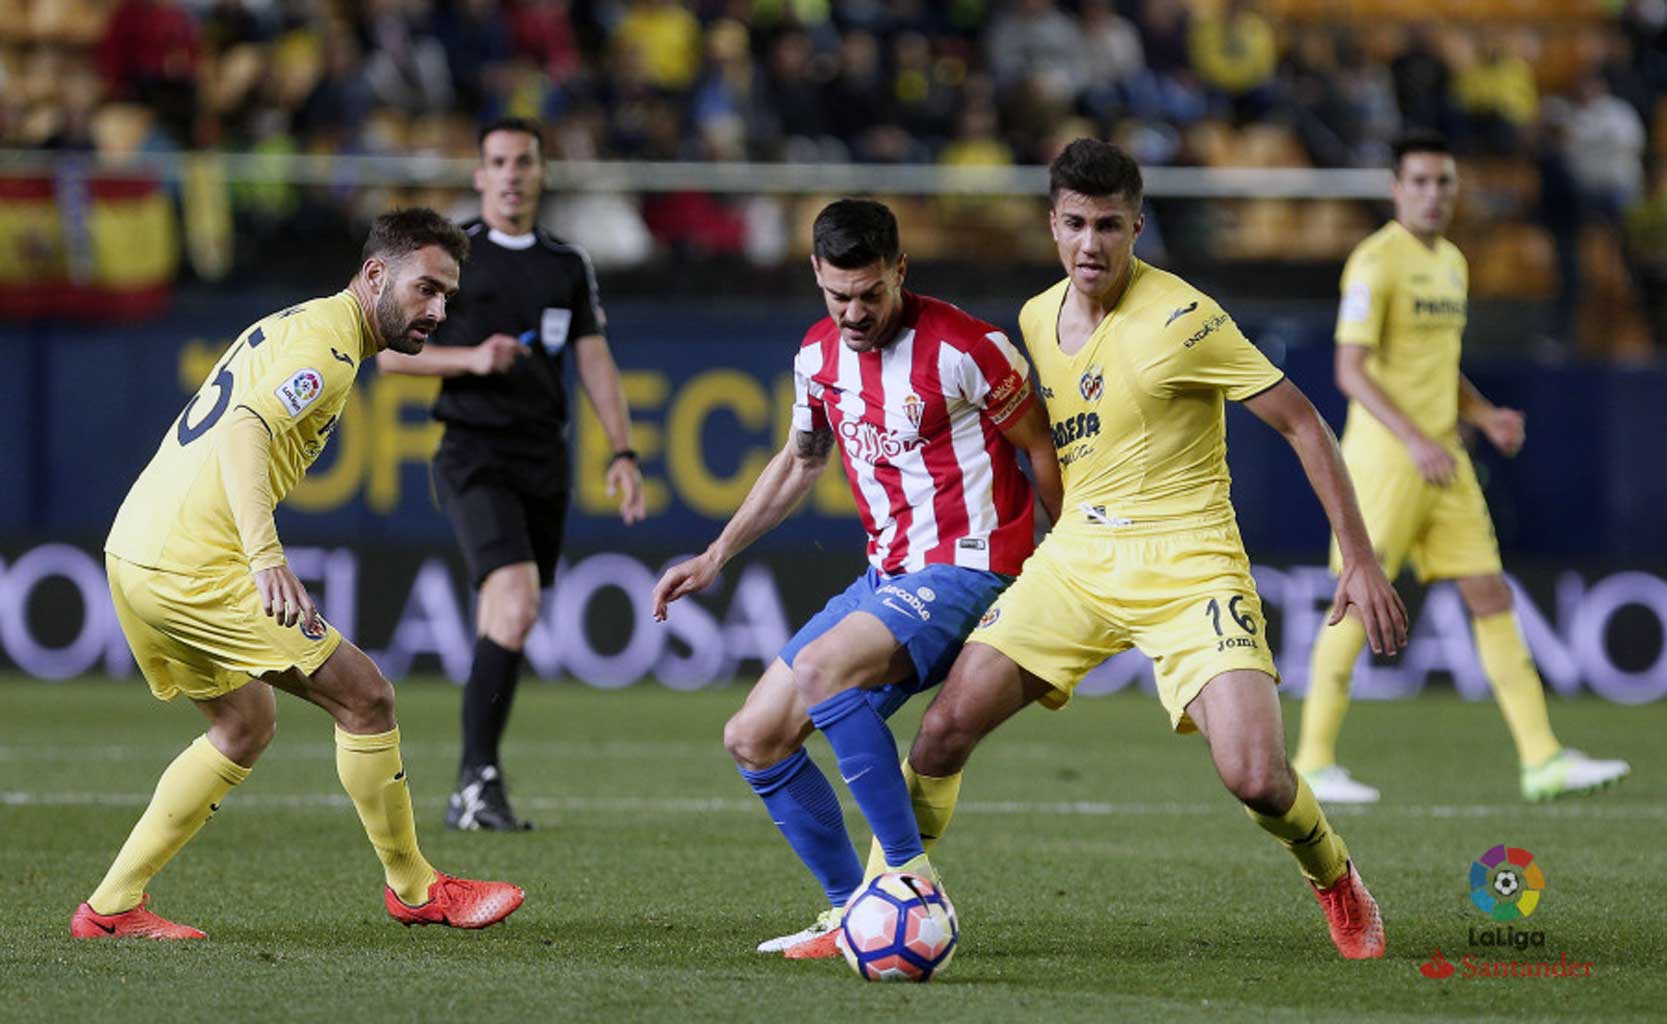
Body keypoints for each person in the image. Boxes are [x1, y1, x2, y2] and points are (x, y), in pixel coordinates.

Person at [901, 138, 1409, 960]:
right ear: (1052, 224)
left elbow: (1302, 423)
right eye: (1074, 224)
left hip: (1189, 564)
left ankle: (1334, 876)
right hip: (1081, 561)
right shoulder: (1037, 316)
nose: (1090, 244)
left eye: (1108, 225)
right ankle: (885, 894)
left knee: (1256, 778)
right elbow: (1065, 447)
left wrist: (1358, 557)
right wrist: (1056, 536)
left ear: (1138, 226)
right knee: (942, 731)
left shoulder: (1186, 320)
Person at [76, 208, 524, 940]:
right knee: (366, 697)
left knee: (242, 722)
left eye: (448, 297)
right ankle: (415, 888)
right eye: (426, 289)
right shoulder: (329, 346)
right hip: (194, 560)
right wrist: (265, 557)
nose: (438, 311)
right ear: (376, 274)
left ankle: (112, 908)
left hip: (136, 548)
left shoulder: (310, 323)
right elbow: (244, 427)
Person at [651, 199, 1063, 959]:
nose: (854, 312)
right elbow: (801, 460)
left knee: (820, 666)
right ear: (815, 274)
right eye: (838, 295)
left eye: (870, 293)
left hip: (973, 565)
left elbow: (1041, 448)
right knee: (753, 736)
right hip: (887, 576)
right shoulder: (816, 357)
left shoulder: (969, 348)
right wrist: (715, 554)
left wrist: (1062, 563)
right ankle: (852, 912)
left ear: (899, 271)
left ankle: (907, 880)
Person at [1292, 132, 1631, 804]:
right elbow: (1348, 373)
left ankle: (1541, 759)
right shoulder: (1372, 261)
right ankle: (1310, 760)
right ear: (1395, 189)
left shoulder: (1451, 261)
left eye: (1442, 182)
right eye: (1417, 181)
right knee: (1354, 603)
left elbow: (1436, 368)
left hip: (1442, 457)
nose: (1431, 194)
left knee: (1489, 594)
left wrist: (1480, 415)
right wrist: (1416, 438)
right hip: (1388, 459)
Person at [377, 117, 645, 832]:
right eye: (497, 162)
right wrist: (470, 360)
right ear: (479, 175)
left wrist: (621, 452)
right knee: (517, 600)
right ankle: (476, 781)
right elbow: (387, 352)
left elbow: (593, 361)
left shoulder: (566, 265)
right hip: (473, 450)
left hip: (542, 457)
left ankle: (475, 785)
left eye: (523, 161)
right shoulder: (450, 257)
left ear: (541, 171)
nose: (511, 174)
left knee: (509, 618)